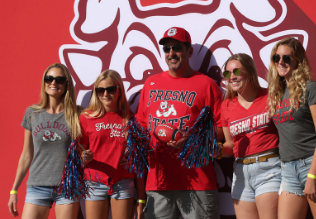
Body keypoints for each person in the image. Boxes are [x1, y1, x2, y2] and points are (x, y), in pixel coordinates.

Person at [135, 27, 223, 219]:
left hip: (198, 181)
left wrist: (192, 140)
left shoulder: (206, 84)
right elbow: (141, 125)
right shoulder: (151, 84)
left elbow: (221, 130)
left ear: (189, 51)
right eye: (167, 49)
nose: (171, 53)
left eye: (177, 48)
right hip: (159, 183)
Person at [267, 37, 316, 219]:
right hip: (288, 169)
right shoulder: (277, 93)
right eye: (277, 58)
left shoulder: (311, 88)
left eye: (287, 58)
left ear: (298, 60)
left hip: (314, 167)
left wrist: (312, 177)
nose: (281, 62)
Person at [8, 63, 81, 219]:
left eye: (59, 79)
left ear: (67, 84)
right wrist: (14, 190)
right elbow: (26, 154)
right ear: (44, 82)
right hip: (37, 185)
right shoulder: (32, 113)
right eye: (49, 78)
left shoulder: (77, 114)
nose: (53, 83)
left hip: (67, 187)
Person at [220, 54, 280, 219]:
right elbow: (230, 146)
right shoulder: (226, 106)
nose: (231, 77)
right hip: (241, 173)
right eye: (227, 74)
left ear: (250, 72)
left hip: (269, 169)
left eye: (236, 71)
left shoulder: (271, 96)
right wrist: (215, 150)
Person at [80, 69, 145, 219]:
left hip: (123, 183)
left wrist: (141, 198)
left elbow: (139, 163)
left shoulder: (131, 119)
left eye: (110, 89)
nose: (105, 94)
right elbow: (78, 155)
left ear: (120, 90)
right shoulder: (86, 118)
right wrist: (84, 158)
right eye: (100, 90)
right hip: (94, 182)